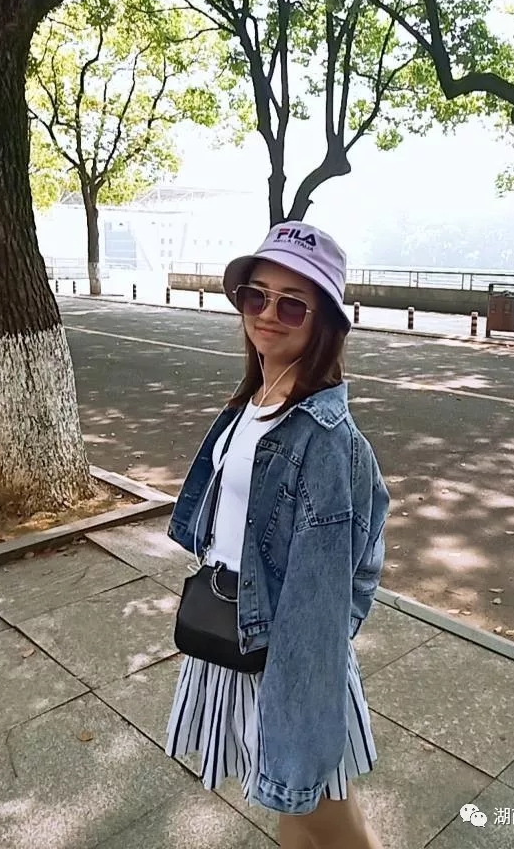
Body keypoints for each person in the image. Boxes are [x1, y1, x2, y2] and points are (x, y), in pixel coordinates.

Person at [165, 222, 389, 849]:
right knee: (292, 810)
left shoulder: (325, 439)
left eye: (293, 304)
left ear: (325, 324)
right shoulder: (255, 399)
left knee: (331, 820)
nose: (267, 313)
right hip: (239, 628)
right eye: (256, 295)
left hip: (286, 657)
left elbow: (333, 583)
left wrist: (302, 679)